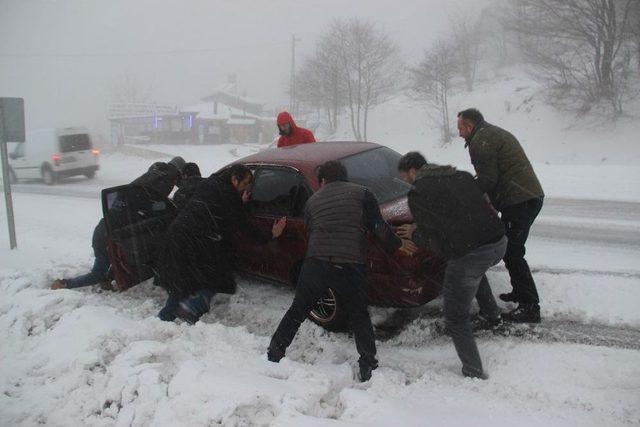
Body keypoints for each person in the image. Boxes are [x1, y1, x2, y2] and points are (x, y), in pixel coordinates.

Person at [267, 160, 417, 382]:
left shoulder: (312, 201)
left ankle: (274, 353)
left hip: (316, 263)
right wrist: (398, 244)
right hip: (349, 263)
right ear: (345, 177)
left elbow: (311, 227)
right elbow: (378, 228)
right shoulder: (363, 194)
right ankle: (367, 365)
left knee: (297, 310)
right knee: (359, 315)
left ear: (324, 180)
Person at [396, 152, 507, 379]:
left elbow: (432, 240)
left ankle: (473, 371)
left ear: (413, 171)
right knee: (474, 272)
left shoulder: (418, 193)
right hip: (498, 241)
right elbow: (468, 209)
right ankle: (492, 314)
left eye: (405, 176)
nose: (406, 181)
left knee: (456, 317)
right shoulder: (461, 176)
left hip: (472, 253)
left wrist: (414, 233)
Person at [155, 164, 287, 324]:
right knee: (215, 276)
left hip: (179, 235)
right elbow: (244, 227)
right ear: (234, 179)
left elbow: (214, 205)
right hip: (193, 241)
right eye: (244, 184)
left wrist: (238, 201)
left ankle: (165, 318)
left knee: (183, 281)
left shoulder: (212, 183)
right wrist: (271, 234)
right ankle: (189, 309)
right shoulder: (228, 196)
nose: (245, 188)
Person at [457, 108, 544, 323]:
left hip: (520, 200)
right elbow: (494, 175)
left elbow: (488, 179)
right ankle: (520, 292)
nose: (459, 133)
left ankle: (530, 307)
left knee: (513, 251)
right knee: (508, 247)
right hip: (523, 196)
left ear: (469, 126)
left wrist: (466, 197)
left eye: (460, 128)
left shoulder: (481, 141)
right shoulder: (490, 133)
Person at [50, 156, 187, 291]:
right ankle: (63, 284)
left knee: (116, 262)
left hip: (106, 228)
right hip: (106, 234)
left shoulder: (153, 175)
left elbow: (147, 200)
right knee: (96, 275)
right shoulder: (167, 178)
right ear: (179, 172)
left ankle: (106, 279)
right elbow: (153, 203)